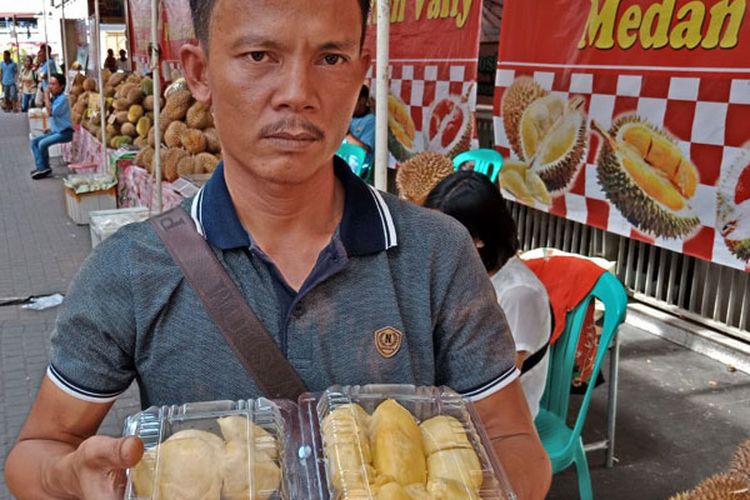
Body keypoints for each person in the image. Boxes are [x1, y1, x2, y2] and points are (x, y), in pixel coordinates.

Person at [4, 1, 551, 498]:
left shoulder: (437, 253)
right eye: (260, 54)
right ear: (199, 73)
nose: (297, 91)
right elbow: (34, 454)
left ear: (362, 74)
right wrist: (68, 478)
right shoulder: (129, 270)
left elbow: (513, 442)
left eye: (331, 58)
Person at [425, 171, 552, 418]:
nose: (432, 243)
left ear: (478, 239)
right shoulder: (462, 271)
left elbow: (495, 388)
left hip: (500, 420)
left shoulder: (519, 294)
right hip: (454, 398)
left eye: (442, 234)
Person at [29, 73, 73, 179]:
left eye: (53, 84)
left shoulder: (62, 99)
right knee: (34, 141)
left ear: (61, 86)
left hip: (64, 133)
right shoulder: (55, 97)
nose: (50, 87)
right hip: (56, 131)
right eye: (50, 84)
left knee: (42, 144)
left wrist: (46, 96)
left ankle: (42, 168)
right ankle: (43, 167)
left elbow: (50, 112)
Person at [345, 84, 375, 171]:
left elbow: (364, 149)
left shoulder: (370, 120)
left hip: (357, 166)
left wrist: (346, 134)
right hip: (342, 160)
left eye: (351, 101)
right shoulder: (348, 117)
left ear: (362, 101)